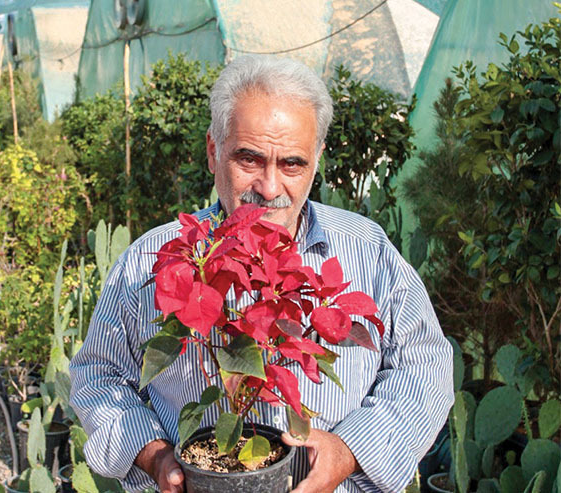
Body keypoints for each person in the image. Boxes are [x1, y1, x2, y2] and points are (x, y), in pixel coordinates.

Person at [69, 55, 454, 493]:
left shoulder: (368, 251)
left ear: (317, 159)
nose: (270, 188)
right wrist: (156, 456)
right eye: (249, 159)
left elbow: (424, 368)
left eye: (292, 164)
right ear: (214, 152)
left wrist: (348, 451)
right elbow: (99, 375)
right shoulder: (151, 259)